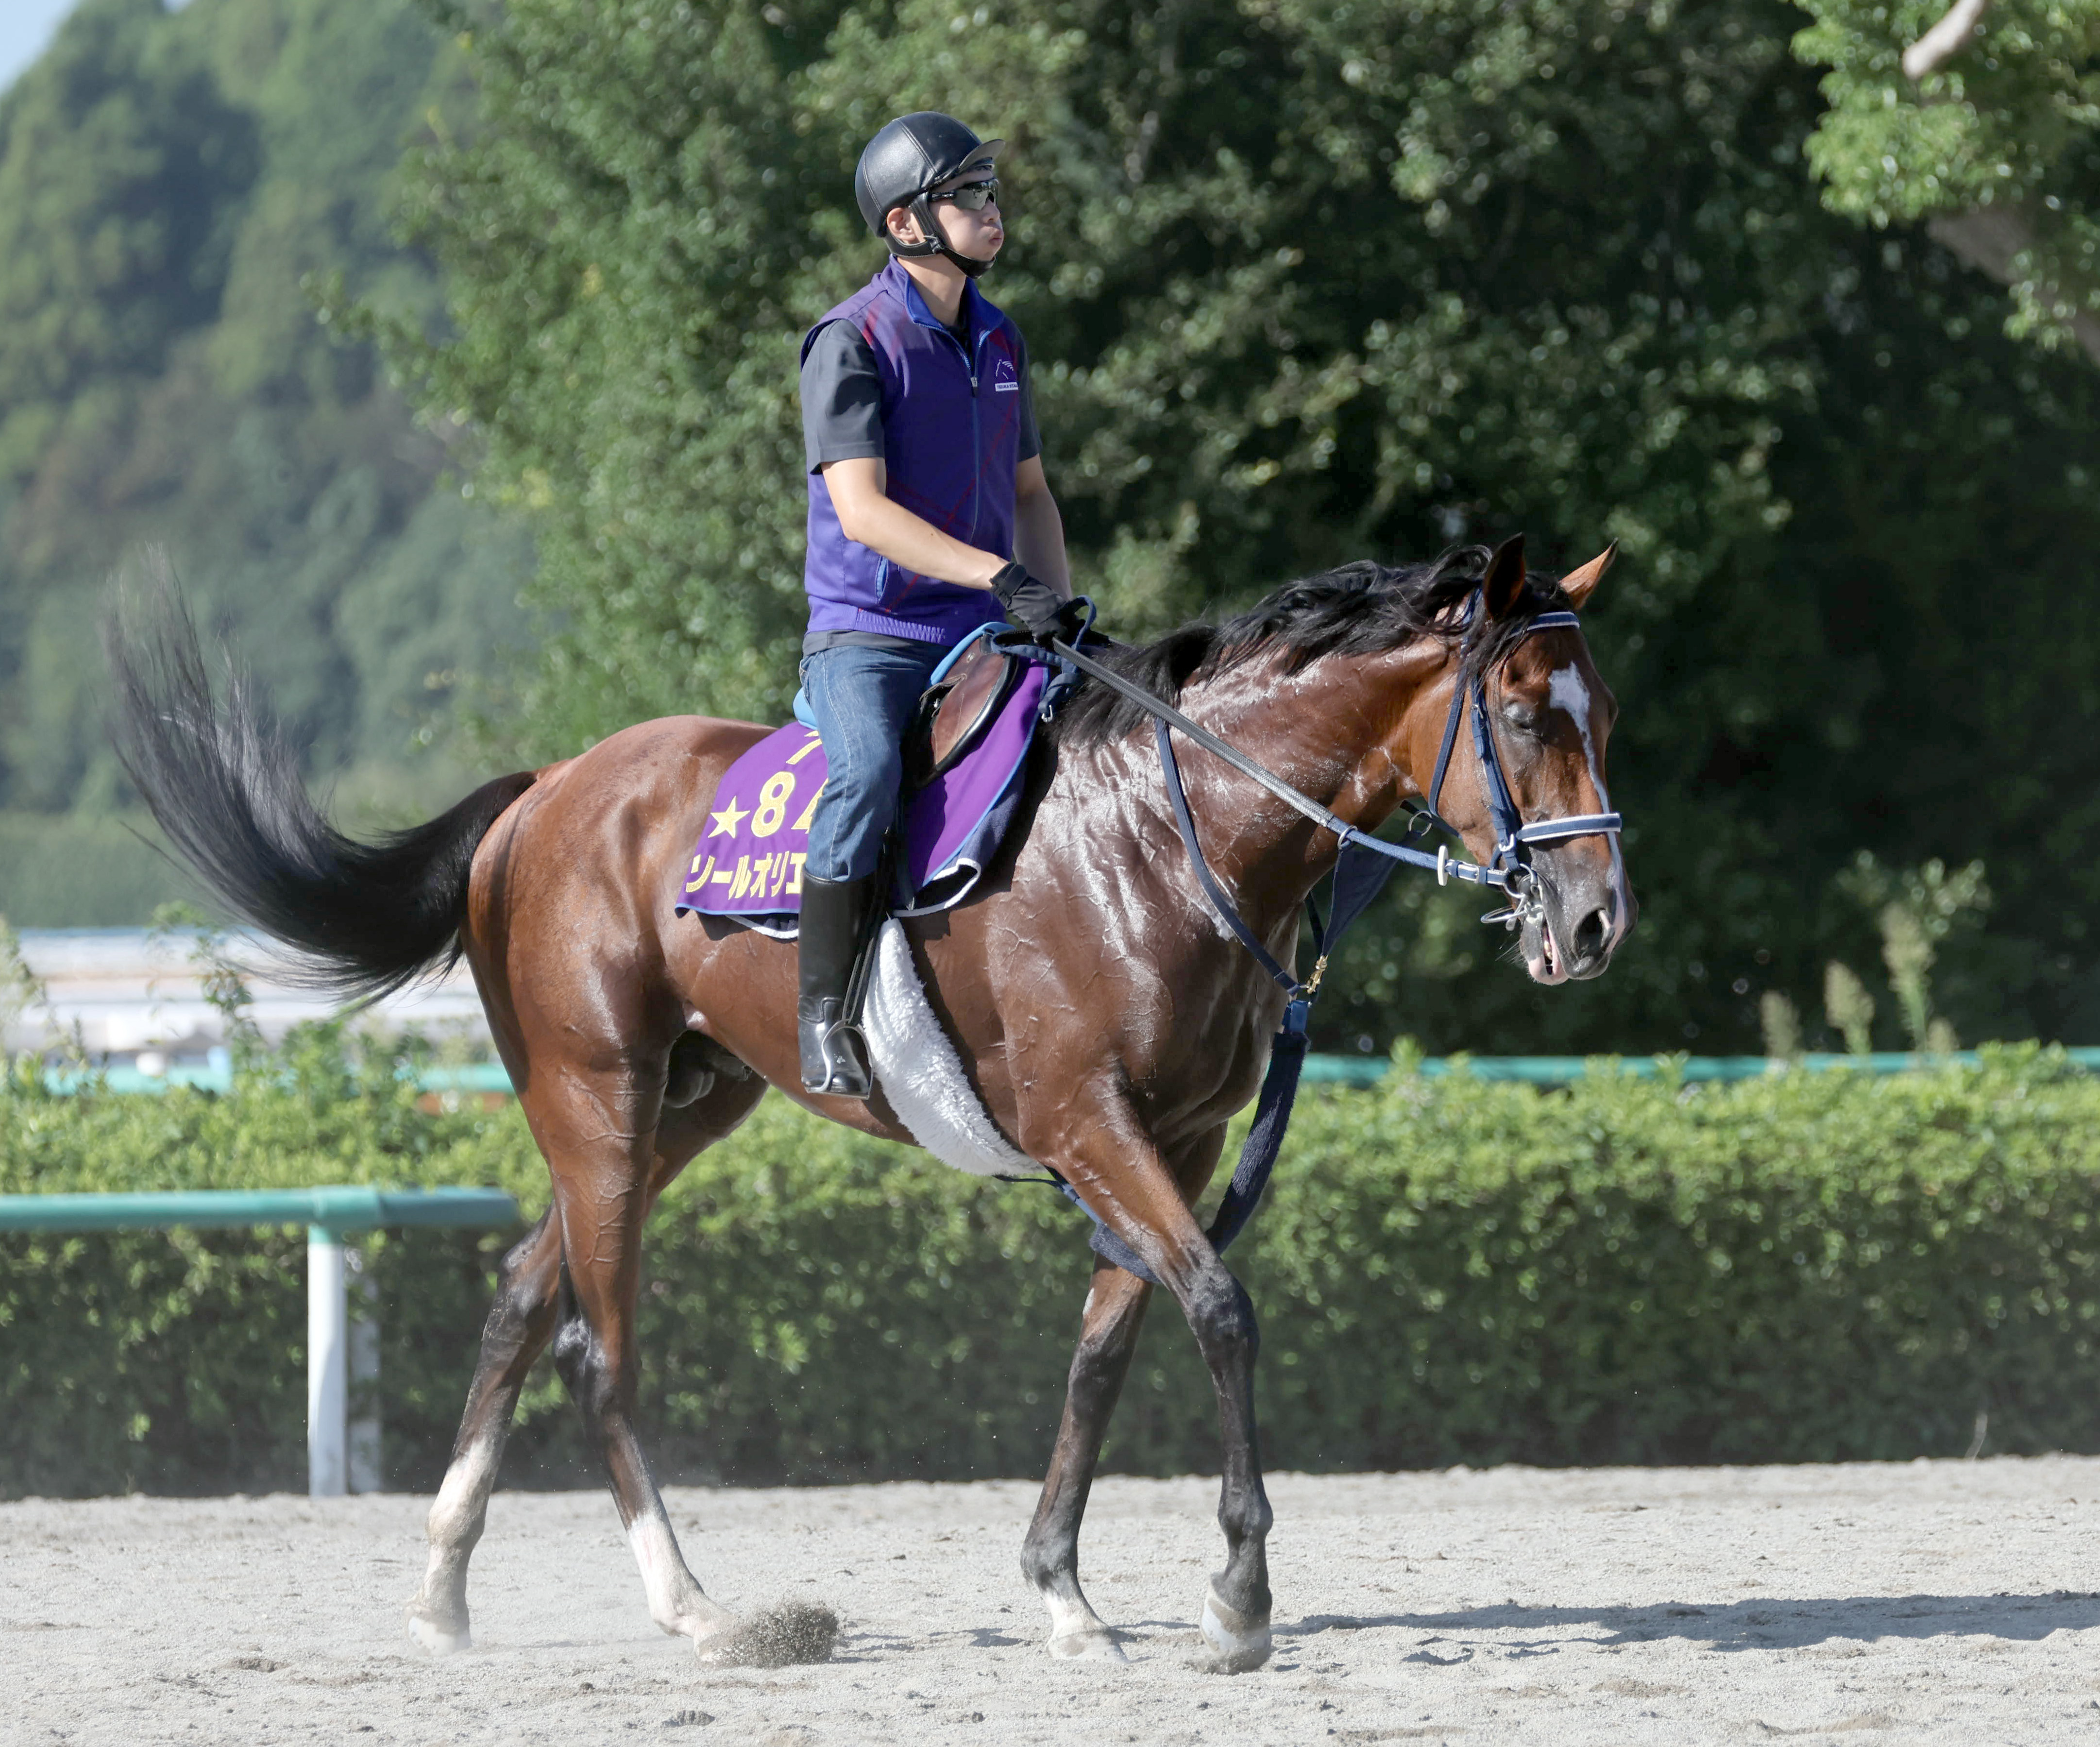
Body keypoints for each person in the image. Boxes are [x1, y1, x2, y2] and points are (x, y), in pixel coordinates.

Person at [794, 112, 1075, 1098]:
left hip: (982, 628)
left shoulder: (999, 337)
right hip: (869, 636)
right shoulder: (849, 340)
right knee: (868, 773)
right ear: (907, 220)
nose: (991, 210)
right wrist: (996, 576)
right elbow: (861, 512)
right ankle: (822, 1014)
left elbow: (1031, 495)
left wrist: (1062, 609)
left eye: (991, 192)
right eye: (970, 195)